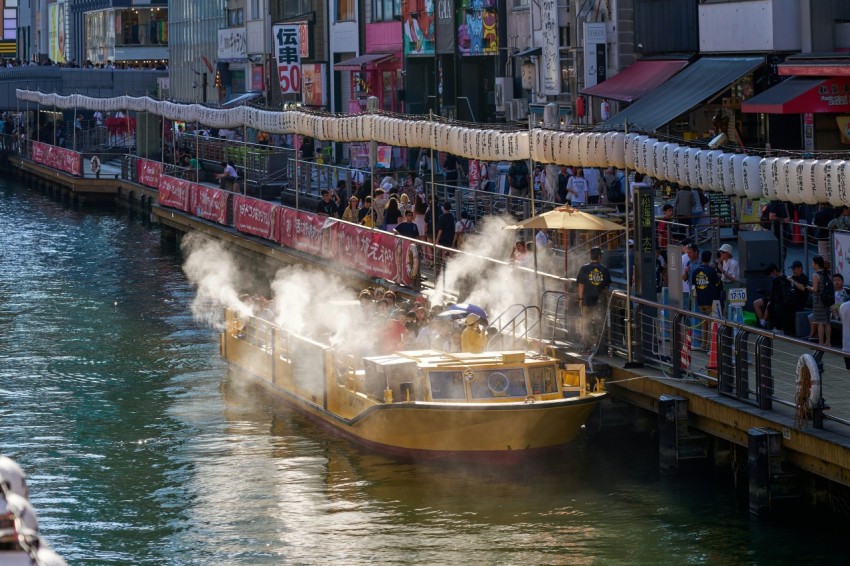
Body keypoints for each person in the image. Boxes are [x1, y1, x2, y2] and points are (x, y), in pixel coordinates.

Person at [576, 247, 611, 353]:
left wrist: (580, 298)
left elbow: (581, 285)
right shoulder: (604, 269)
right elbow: (606, 287)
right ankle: (601, 347)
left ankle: (587, 346)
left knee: (586, 324)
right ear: (599, 257)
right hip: (599, 302)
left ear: (590, 256)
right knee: (600, 323)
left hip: (587, 300)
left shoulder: (584, 268)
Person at [691, 250, 722, 350]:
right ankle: (709, 345)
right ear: (709, 259)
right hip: (710, 300)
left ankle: (703, 345)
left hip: (700, 300)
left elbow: (694, 285)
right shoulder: (711, 270)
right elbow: (717, 282)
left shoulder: (696, 271)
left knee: (703, 323)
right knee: (710, 324)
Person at [806, 255, 830, 346]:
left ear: (816, 264)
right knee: (827, 322)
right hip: (827, 300)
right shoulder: (826, 273)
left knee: (820, 322)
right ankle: (828, 342)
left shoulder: (816, 275)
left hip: (819, 301)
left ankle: (821, 342)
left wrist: (809, 288)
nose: (812, 264)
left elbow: (815, 289)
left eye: (812, 263)